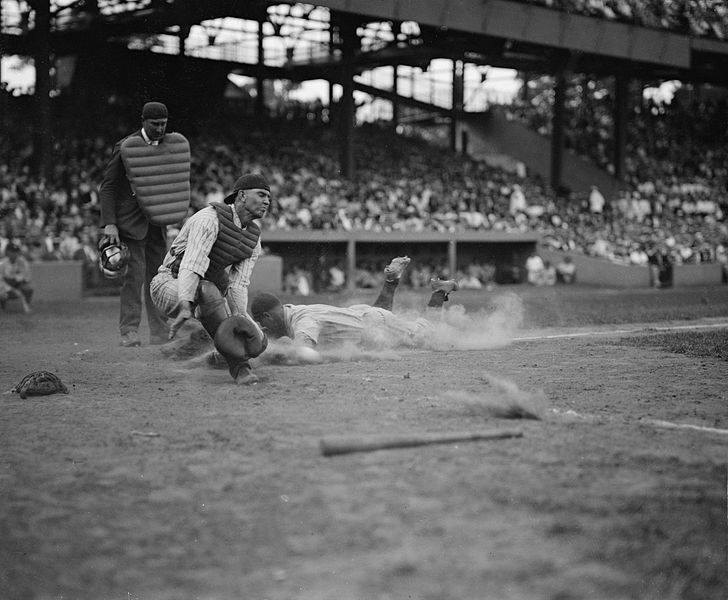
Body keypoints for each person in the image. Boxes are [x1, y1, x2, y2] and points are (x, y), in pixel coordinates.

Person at [150, 172, 271, 385]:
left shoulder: (253, 238)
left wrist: (241, 318)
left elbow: (238, 285)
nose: (267, 201)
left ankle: (218, 356)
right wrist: (185, 304)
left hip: (207, 293)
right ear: (241, 195)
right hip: (169, 283)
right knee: (206, 289)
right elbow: (191, 265)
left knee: (259, 341)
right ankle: (239, 367)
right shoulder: (209, 218)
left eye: (269, 197)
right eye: (261, 195)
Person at [98, 101, 191, 347]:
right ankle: (128, 331)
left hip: (156, 224)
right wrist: (110, 224)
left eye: (163, 124)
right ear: (143, 121)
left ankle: (160, 332)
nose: (160, 129)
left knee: (157, 279)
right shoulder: (126, 147)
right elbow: (108, 187)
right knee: (134, 277)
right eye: (155, 124)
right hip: (130, 223)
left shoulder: (168, 147)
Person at [249, 256, 459, 364]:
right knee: (378, 318)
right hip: (362, 319)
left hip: (372, 324)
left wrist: (282, 354)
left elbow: (303, 352)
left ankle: (440, 292)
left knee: (431, 335)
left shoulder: (303, 321)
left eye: (262, 324)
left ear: (267, 315)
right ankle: (391, 279)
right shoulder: (291, 311)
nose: (263, 329)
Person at [0, 243, 33, 313]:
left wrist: (19, 282)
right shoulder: (2, 263)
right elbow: (1, 280)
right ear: (7, 252)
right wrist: (12, 289)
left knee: (29, 288)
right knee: (2, 295)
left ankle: (27, 306)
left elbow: (27, 276)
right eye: (12, 251)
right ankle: (3, 307)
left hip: (18, 284)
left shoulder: (22, 261)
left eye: (16, 251)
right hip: (5, 285)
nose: (15, 253)